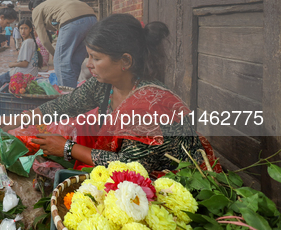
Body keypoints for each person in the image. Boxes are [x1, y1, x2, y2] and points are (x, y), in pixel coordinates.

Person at [21, 14, 220, 174]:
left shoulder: (149, 106)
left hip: (169, 179)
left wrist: (68, 149)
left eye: (96, 58)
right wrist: (17, 121)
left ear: (125, 61)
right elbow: (66, 105)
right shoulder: (105, 84)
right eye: (88, 55)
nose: (89, 64)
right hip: (130, 166)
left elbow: (131, 166)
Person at [29, 0, 97, 88]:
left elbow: (44, 40)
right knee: (75, 62)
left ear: (32, 9)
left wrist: (55, 53)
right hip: (92, 19)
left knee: (61, 62)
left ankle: (66, 97)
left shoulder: (36, 10)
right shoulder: (54, 5)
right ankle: (73, 92)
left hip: (73, 20)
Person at [0, 19, 43, 88]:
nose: (23, 31)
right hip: (29, 73)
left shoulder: (27, 42)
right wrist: (16, 62)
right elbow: (24, 60)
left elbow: (24, 63)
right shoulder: (30, 41)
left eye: (25, 28)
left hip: (23, 74)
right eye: (21, 28)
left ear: (30, 29)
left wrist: (12, 64)